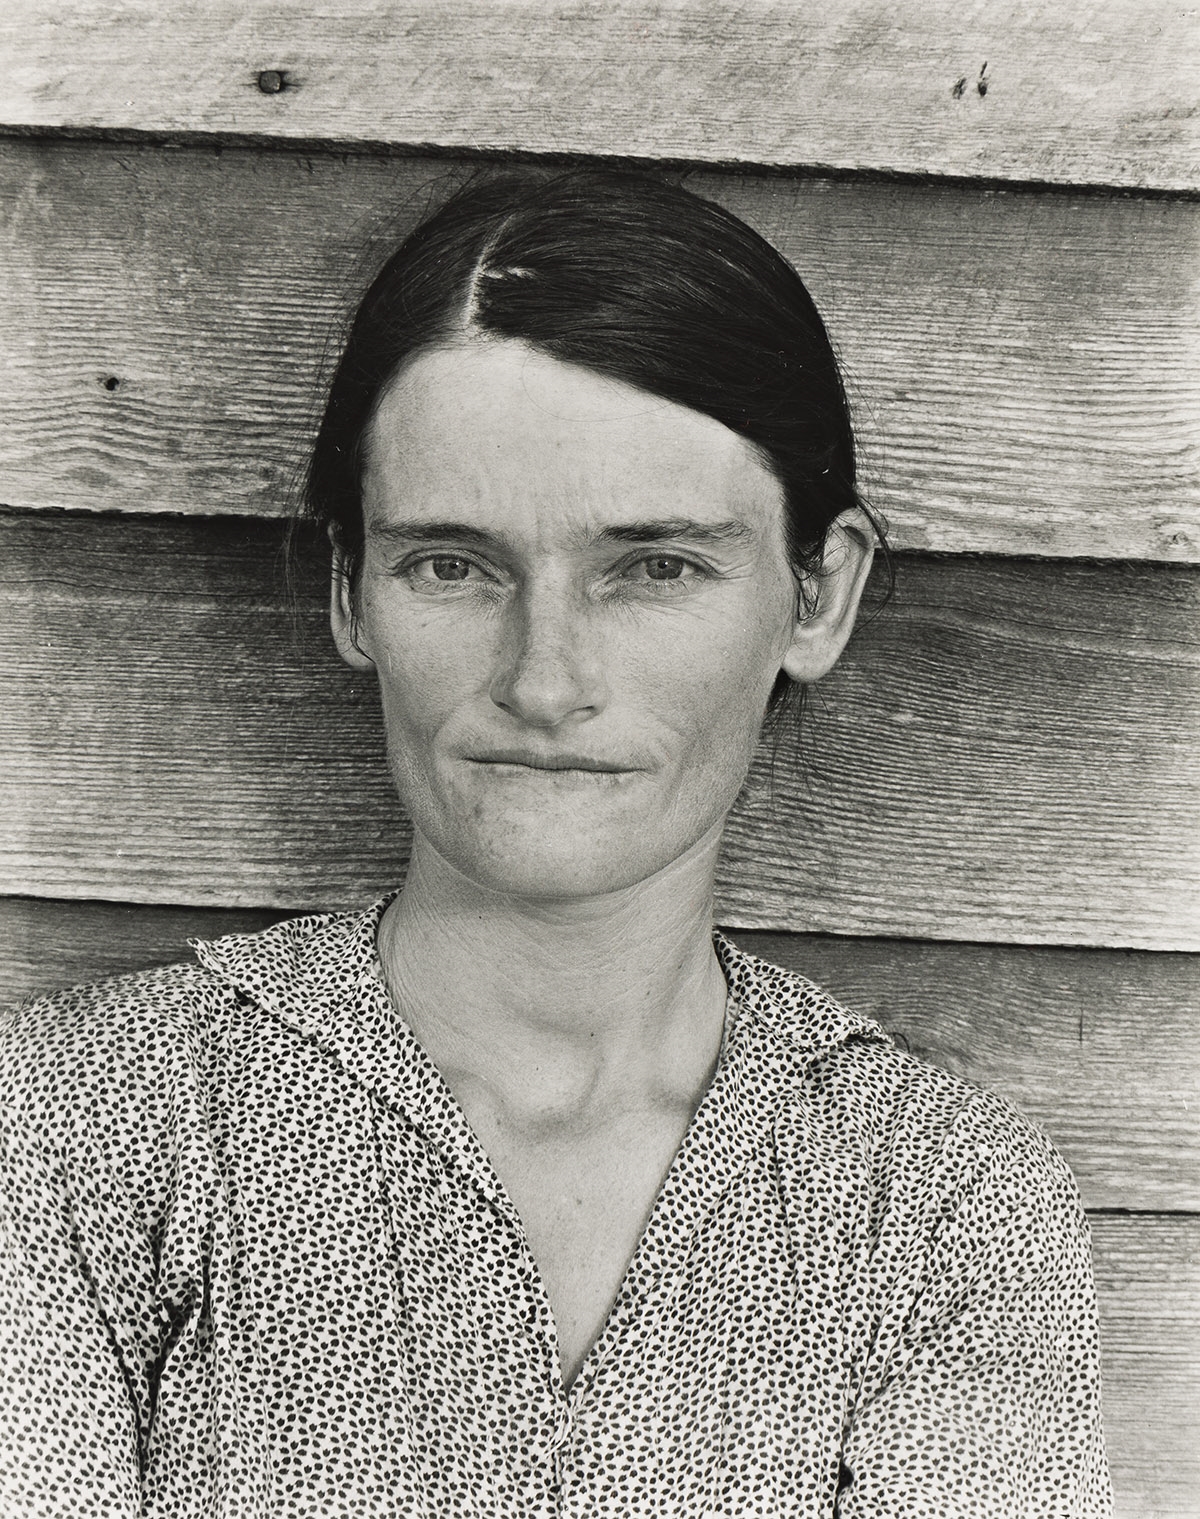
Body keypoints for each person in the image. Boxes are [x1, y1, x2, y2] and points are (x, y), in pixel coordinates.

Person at [0, 169, 1111, 1517]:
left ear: (818, 598)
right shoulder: (74, 1126)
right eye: (453, 565)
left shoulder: (938, 1198)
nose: (544, 680)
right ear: (353, 590)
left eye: (655, 569)